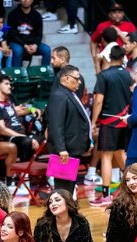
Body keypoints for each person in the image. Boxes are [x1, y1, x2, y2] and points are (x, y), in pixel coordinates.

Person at [90, 46, 132, 207]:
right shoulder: (129, 74)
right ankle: (135, 186)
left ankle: (106, 195)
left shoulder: (104, 76)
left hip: (109, 121)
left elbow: (98, 101)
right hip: (126, 120)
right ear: (123, 58)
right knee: (121, 154)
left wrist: (93, 122)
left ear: (108, 57)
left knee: (106, 156)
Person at [46, 64, 92, 197]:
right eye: (76, 79)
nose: (79, 81)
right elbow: (56, 124)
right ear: (66, 79)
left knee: (68, 188)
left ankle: (68, 214)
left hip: (71, 149)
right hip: (64, 151)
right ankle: (59, 215)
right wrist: (61, 149)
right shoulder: (59, 95)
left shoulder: (69, 93)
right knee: (63, 190)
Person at [89, 2, 136, 67]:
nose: (117, 15)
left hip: (125, 62)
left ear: (123, 14)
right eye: (114, 12)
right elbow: (93, 41)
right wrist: (94, 57)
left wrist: (120, 33)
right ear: (109, 14)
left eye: (119, 12)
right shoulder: (102, 26)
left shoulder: (130, 26)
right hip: (106, 62)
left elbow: (135, 44)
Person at [6, 0, 51, 67]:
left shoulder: (37, 15)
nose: (26, 0)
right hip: (16, 42)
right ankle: (17, 74)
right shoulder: (13, 14)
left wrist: (35, 44)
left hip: (31, 42)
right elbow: (12, 34)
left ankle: (45, 73)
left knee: (47, 50)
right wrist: (24, 45)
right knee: (18, 51)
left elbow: (39, 34)